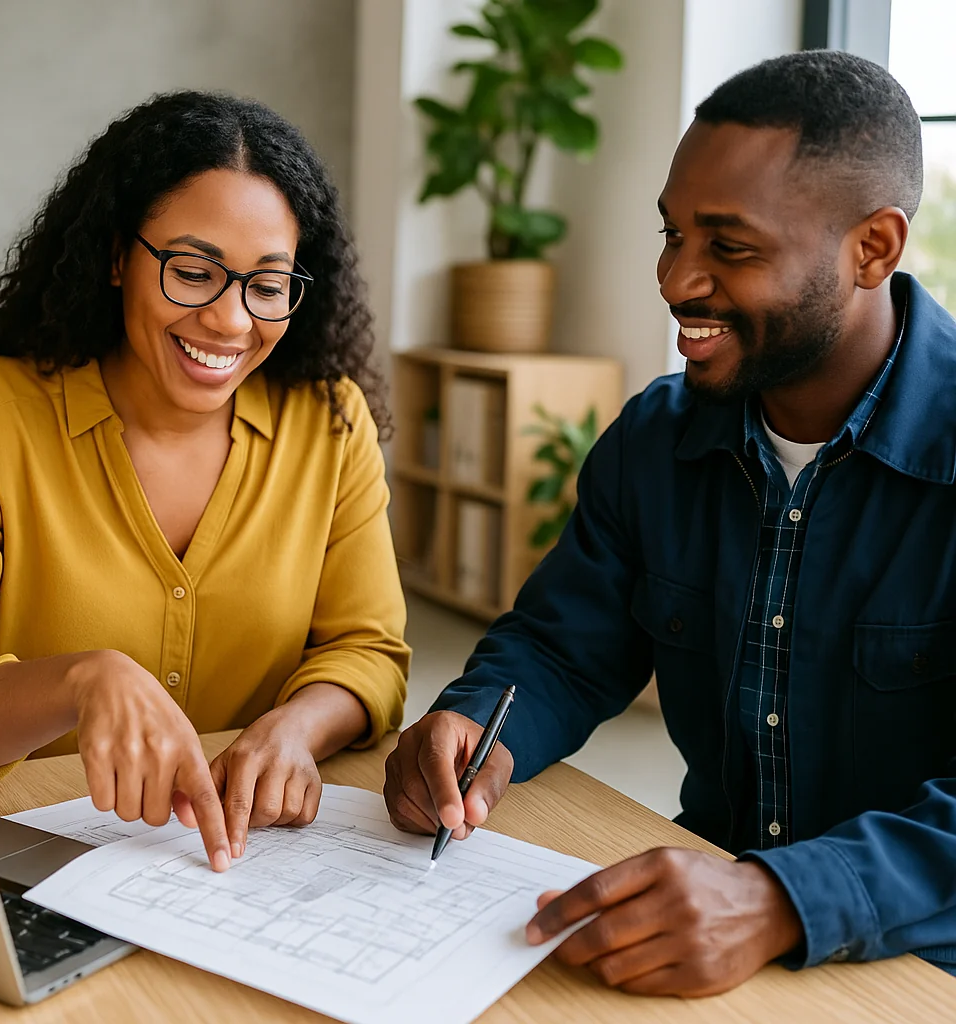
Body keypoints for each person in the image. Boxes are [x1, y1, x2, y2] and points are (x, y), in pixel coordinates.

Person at [384, 51, 956, 993]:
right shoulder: (655, 440)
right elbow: (565, 649)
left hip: (917, 967)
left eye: (728, 247)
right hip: (691, 939)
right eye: (672, 234)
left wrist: (778, 900)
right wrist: (474, 722)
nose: (676, 279)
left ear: (874, 249)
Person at [0, 91, 410, 873]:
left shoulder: (330, 421)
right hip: (21, 860)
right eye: (193, 271)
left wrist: (296, 726)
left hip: (241, 870)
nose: (229, 321)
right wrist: (81, 683)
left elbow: (369, 650)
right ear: (118, 256)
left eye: (266, 284)